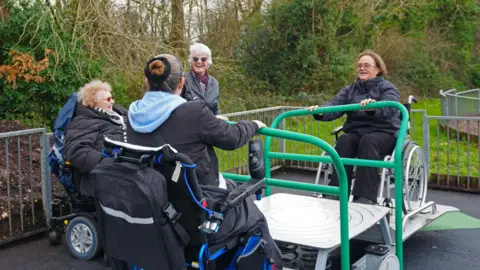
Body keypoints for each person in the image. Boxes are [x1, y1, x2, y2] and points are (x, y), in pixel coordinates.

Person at [126, 54, 283, 267]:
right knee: (255, 217)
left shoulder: (132, 116)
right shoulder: (194, 111)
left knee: (233, 188)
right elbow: (232, 137)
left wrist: (212, 121)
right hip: (198, 216)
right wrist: (253, 124)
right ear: (182, 81)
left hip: (155, 212)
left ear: (146, 82)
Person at [308, 50, 400, 205]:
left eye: (366, 65)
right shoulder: (350, 90)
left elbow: (391, 107)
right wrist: (320, 112)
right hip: (358, 132)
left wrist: (373, 108)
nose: (362, 68)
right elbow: (335, 104)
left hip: (384, 132)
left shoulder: (387, 88)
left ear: (377, 69)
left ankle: (365, 197)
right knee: (344, 140)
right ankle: (336, 192)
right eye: (359, 65)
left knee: (368, 141)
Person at [64, 80, 127, 196]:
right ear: (93, 102)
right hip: (101, 181)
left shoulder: (119, 115)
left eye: (112, 97)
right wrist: (107, 162)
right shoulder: (83, 122)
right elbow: (75, 151)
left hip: (125, 174)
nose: (112, 101)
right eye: (108, 99)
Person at [181, 43, 224, 117]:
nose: (199, 61)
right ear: (191, 61)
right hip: (189, 126)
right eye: (195, 58)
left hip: (209, 126)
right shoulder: (183, 80)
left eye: (203, 59)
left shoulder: (214, 83)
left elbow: (215, 108)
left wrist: (220, 119)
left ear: (208, 62)